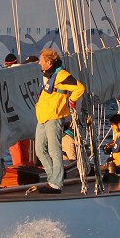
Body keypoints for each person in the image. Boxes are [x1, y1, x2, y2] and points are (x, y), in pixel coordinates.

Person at [33, 48, 85, 193]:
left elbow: (79, 88)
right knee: (39, 150)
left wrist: (72, 100)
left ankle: (56, 184)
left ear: (49, 62)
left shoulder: (61, 75)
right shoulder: (47, 75)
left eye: (41, 61)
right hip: (43, 117)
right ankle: (52, 178)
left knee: (54, 151)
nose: (39, 63)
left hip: (54, 117)